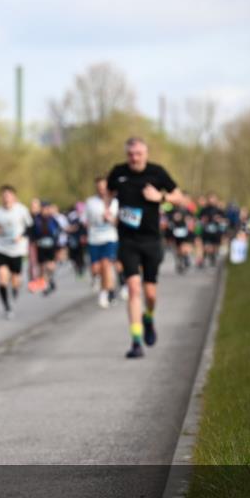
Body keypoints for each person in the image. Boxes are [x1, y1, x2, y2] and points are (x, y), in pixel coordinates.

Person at [106, 137, 188, 359]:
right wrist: (109, 211)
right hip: (127, 240)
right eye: (131, 153)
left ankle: (149, 317)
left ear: (146, 154)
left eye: (138, 153)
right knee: (133, 288)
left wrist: (160, 197)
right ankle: (135, 341)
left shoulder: (157, 173)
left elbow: (180, 198)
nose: (134, 158)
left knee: (150, 293)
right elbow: (108, 191)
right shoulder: (118, 172)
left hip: (151, 240)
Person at [0, 185, 33, 319]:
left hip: (17, 250)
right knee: (2, 277)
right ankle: (7, 307)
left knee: (15, 280)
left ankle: (15, 289)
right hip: (1, 248)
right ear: (1, 198)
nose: (6, 198)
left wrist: (21, 236)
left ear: (14, 197)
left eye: (9, 196)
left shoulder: (22, 210)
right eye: (4, 196)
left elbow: (30, 227)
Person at [85, 176, 119, 308]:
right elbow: (86, 221)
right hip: (94, 239)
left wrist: (110, 219)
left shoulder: (115, 202)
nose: (102, 190)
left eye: (104, 188)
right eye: (99, 188)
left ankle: (104, 293)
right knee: (96, 269)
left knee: (105, 265)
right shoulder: (90, 202)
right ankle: (108, 285)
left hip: (110, 238)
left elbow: (120, 222)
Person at [30, 200, 62, 295]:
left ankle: (50, 279)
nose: (45, 210)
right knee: (42, 267)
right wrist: (34, 241)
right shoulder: (36, 219)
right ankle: (45, 285)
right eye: (43, 208)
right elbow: (32, 232)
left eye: (46, 208)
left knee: (51, 266)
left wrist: (57, 244)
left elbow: (58, 231)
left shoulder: (52, 219)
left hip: (51, 245)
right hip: (40, 246)